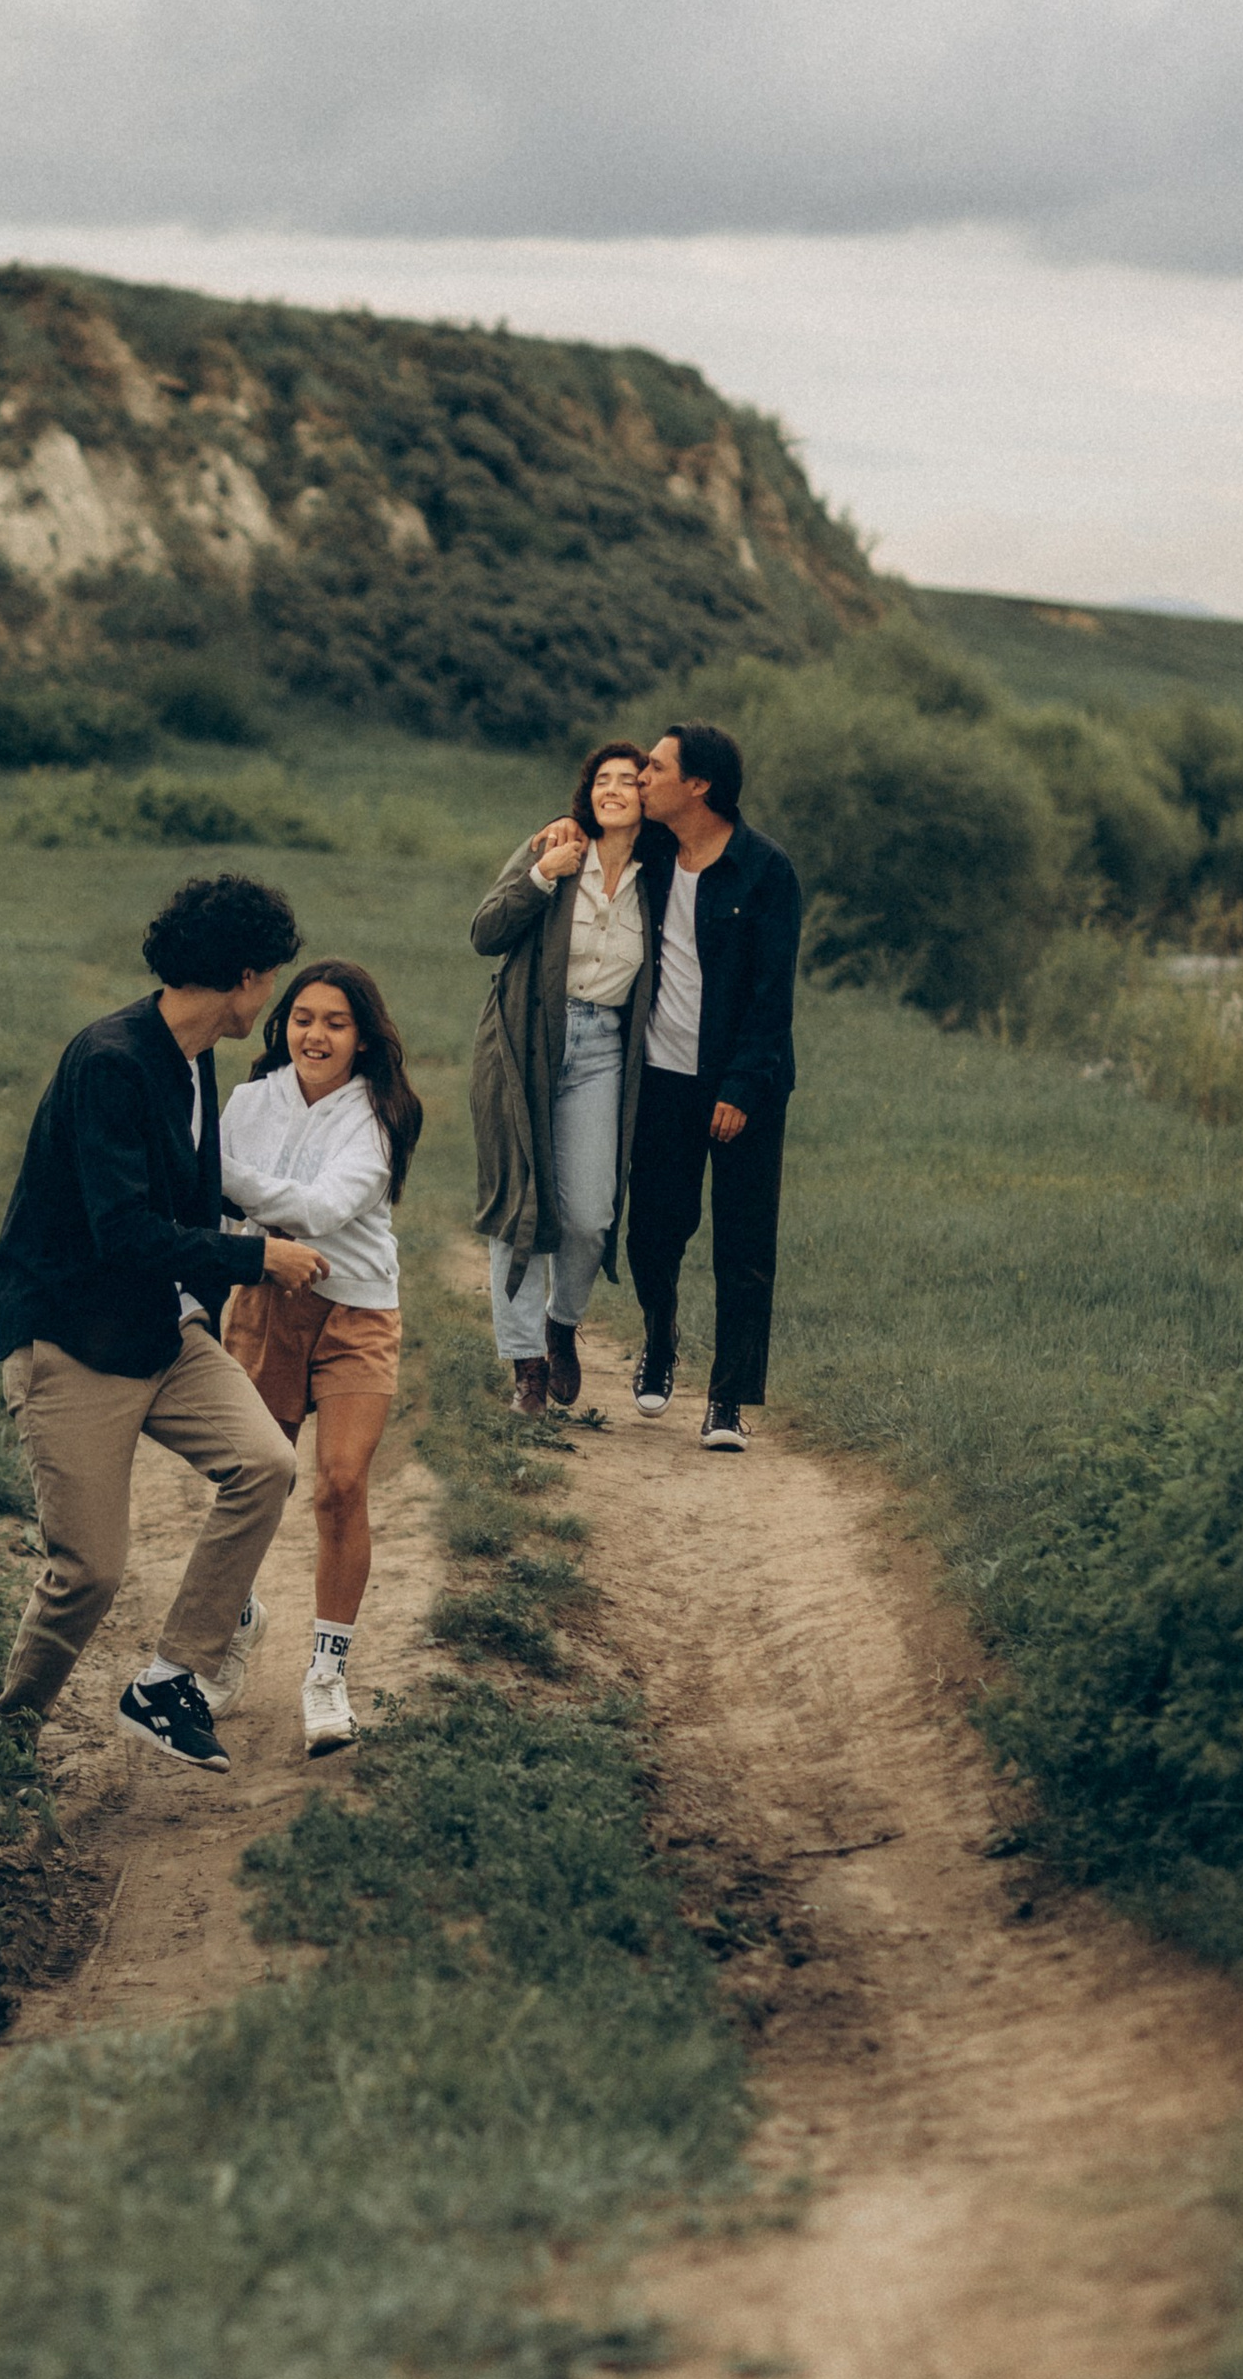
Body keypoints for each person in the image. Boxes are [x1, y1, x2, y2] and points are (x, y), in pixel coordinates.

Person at [0, 870, 326, 1774]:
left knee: (265, 1464)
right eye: (273, 979)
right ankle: (3, 1741)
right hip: (73, 1338)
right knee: (88, 1571)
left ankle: (169, 1679)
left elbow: (175, 1197)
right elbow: (125, 1232)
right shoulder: (111, 1062)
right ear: (246, 978)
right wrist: (256, 1260)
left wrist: (253, 1230)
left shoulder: (188, 1055)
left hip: (160, 1332)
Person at [214, 959, 424, 1755]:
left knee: (340, 1485)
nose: (316, 1034)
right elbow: (217, 1211)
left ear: (363, 1040)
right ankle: (236, 1623)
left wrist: (220, 1180)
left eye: (336, 1022)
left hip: (357, 1309)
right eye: (304, 1017)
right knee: (246, 1483)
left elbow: (326, 1209)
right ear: (283, 1026)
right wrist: (228, 1196)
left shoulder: (376, 1116)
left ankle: (326, 1673)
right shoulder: (247, 1103)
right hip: (265, 1304)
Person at [626, 722, 802, 1450]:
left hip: (743, 1086)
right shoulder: (652, 853)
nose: (642, 776)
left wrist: (741, 1086)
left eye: (656, 767)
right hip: (661, 1078)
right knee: (653, 1230)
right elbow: (589, 822)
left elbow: (771, 995)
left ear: (698, 785)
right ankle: (660, 1340)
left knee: (743, 1242)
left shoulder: (766, 871)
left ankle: (727, 1402)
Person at [470, 741, 658, 1416]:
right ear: (588, 793)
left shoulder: (658, 875)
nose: (613, 789)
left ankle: (561, 1325)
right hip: (526, 1040)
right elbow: (485, 932)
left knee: (590, 1216)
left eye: (629, 781)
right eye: (601, 780)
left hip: (605, 1047)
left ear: (648, 797)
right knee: (519, 1204)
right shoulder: (553, 846)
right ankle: (526, 1367)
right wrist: (542, 874)